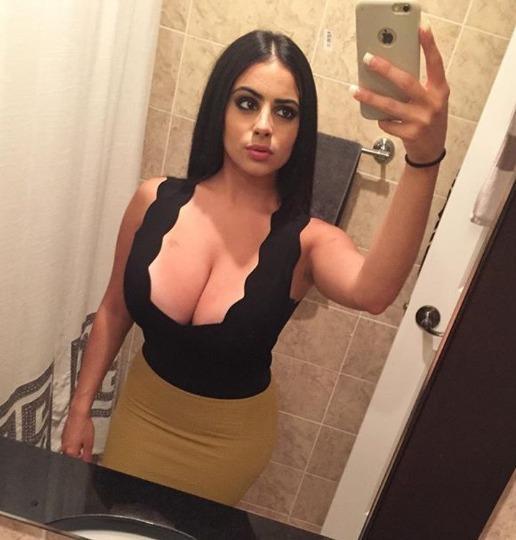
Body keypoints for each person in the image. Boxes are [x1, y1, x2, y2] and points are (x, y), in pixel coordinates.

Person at [61, 27, 449, 506]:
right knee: (118, 522)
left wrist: (423, 161)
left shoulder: (309, 242)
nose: (264, 125)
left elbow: (373, 291)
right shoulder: (152, 200)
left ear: (300, 130)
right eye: (247, 103)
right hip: (142, 412)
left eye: (285, 112)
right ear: (219, 109)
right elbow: (114, 310)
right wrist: (80, 408)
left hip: (228, 443)